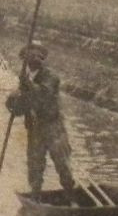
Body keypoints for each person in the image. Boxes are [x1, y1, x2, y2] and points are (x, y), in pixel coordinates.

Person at [6, 41, 77, 193]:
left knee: (63, 165)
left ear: (43, 58)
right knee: (35, 168)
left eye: (39, 54)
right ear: (25, 59)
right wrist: (13, 100)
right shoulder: (24, 82)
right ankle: (35, 198)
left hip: (54, 128)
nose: (36, 57)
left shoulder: (51, 77)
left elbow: (44, 93)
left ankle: (71, 196)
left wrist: (27, 85)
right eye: (31, 54)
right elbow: (19, 109)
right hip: (34, 130)